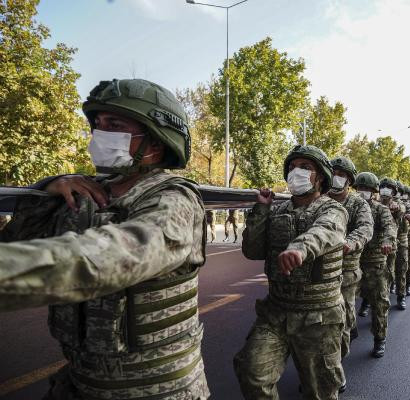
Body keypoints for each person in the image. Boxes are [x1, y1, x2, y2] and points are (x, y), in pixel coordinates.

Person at [0, 79, 210, 399]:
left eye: (114, 124)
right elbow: (13, 244)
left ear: (154, 144)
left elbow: (108, 259)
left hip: (159, 391)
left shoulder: (175, 200)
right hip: (82, 383)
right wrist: (45, 192)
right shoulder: (82, 193)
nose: (99, 133)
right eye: (97, 124)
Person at [234, 145, 348, 399]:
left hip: (318, 317)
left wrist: (300, 249)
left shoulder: (333, 210)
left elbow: (326, 231)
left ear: (320, 177)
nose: (296, 172)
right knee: (252, 373)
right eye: (292, 167)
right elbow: (252, 251)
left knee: (319, 391)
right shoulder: (277, 211)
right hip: (276, 312)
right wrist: (261, 210)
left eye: (305, 167)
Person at [327, 156, 373, 359]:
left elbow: (365, 227)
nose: (336, 177)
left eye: (341, 175)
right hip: (322, 272)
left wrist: (351, 242)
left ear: (349, 181)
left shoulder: (358, 204)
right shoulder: (320, 200)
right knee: (325, 323)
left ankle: (335, 368)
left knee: (343, 320)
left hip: (347, 271)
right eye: (333, 173)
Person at [354, 172, 395, 358]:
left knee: (380, 303)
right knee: (341, 305)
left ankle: (380, 339)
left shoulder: (380, 210)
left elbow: (389, 227)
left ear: (374, 191)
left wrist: (387, 241)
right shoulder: (350, 207)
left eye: (367, 189)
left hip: (376, 263)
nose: (363, 192)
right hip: (352, 263)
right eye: (360, 188)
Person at [394, 183, 410, 310]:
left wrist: (409, 216)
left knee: (403, 267)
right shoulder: (383, 204)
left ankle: (402, 294)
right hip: (387, 242)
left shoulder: (409, 206)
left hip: (404, 240)